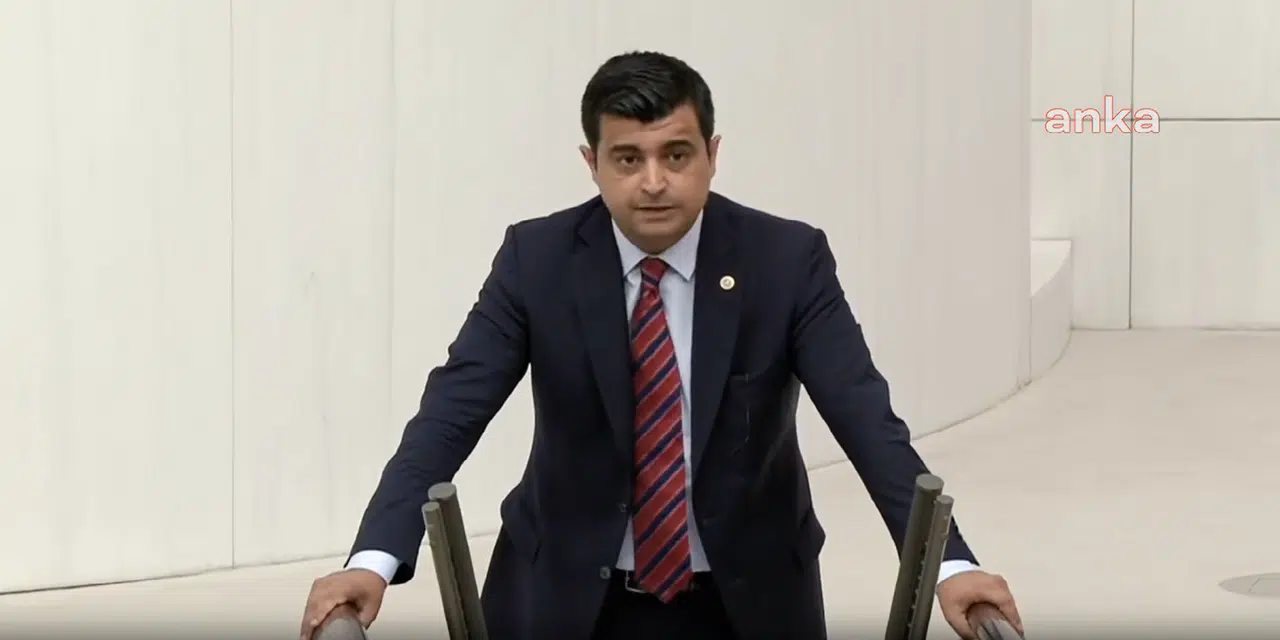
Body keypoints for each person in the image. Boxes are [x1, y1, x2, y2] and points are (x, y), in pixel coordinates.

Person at [300, 50, 1023, 640]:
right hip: (565, 598)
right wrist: (373, 557)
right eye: (628, 159)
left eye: (677, 155)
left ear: (713, 154)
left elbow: (867, 419)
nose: (654, 183)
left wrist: (949, 565)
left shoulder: (787, 261)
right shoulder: (536, 260)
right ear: (592, 162)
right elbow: (449, 412)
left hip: (744, 602)